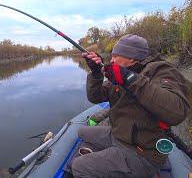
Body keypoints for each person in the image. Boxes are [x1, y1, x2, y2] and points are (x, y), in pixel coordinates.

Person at [71, 34, 191, 178]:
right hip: (120, 136)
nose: (111, 60)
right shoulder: (119, 73)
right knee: (82, 132)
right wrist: (96, 73)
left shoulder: (161, 71)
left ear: (132, 58)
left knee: (78, 167)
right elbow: (95, 97)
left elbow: (176, 111)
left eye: (115, 56)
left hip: (142, 153)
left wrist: (129, 79)